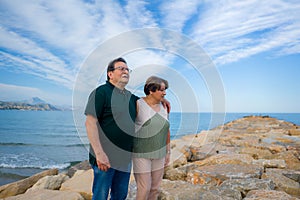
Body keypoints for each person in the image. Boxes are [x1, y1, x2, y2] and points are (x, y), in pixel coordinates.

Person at [85, 58, 170, 200]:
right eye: (121, 68)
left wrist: (161, 99)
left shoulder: (130, 97)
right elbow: (90, 123)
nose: (125, 71)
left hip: (124, 158)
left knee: (120, 196)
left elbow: (147, 101)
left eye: (127, 69)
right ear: (110, 74)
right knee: (100, 196)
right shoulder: (101, 92)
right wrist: (99, 154)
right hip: (106, 157)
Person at [133, 76, 171, 200]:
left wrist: (168, 151)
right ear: (151, 90)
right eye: (161, 90)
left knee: (155, 189)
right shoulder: (138, 104)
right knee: (144, 189)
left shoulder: (165, 107)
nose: (164, 93)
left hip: (159, 153)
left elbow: (166, 129)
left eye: (165, 90)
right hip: (141, 154)